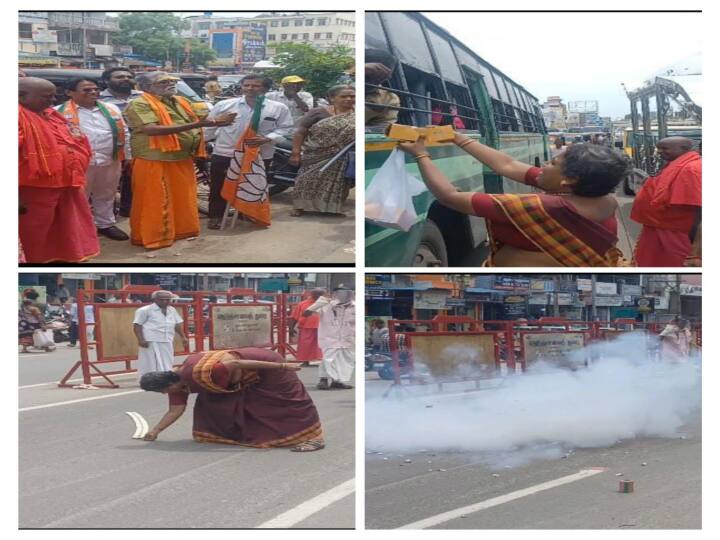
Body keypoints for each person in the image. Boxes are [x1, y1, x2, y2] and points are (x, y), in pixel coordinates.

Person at [398, 135, 631, 266]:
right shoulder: (600, 198)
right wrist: (458, 138)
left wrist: (421, 154)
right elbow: (507, 165)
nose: (542, 166)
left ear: (568, 181)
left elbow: (449, 197)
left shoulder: (540, 206)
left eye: (552, 164)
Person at [125, 72, 235, 248]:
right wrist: (201, 124)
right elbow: (152, 130)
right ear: (146, 87)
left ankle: (179, 231)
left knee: (182, 197)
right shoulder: (140, 103)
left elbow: (199, 121)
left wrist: (219, 121)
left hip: (182, 157)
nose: (170, 84)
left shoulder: (181, 101)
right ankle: (155, 237)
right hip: (154, 158)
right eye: (163, 82)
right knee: (155, 199)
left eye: (172, 81)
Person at [139, 347, 324, 452]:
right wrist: (155, 431)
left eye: (163, 391)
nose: (165, 394)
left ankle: (315, 438)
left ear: (170, 383)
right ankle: (223, 434)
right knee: (212, 403)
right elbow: (175, 410)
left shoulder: (197, 373)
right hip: (239, 376)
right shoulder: (177, 383)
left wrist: (282, 365)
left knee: (284, 402)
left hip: (268, 364)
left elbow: (237, 363)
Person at [19, 77, 99, 263]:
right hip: (31, 192)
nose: (53, 101)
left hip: (66, 184)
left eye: (54, 96)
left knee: (64, 230)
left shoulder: (50, 114)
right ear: (20, 96)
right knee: (33, 235)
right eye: (46, 97)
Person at [204, 74, 293, 229]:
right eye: (247, 85)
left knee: (252, 185)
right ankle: (216, 216)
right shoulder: (225, 105)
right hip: (226, 152)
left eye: (255, 85)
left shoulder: (278, 108)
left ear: (265, 89)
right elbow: (210, 127)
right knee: (219, 185)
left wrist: (267, 138)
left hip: (260, 154)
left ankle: (247, 212)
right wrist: (203, 144)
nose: (250, 88)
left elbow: (286, 128)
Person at [56, 78, 131, 241]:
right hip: (78, 162)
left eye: (96, 89)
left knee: (107, 193)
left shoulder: (111, 108)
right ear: (70, 93)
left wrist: (128, 156)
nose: (93, 92)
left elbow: (124, 132)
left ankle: (105, 224)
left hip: (110, 158)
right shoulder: (58, 112)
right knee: (78, 196)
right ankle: (77, 228)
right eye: (87, 90)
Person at [630, 137, 702, 267]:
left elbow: (701, 213)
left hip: (677, 236)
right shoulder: (678, 164)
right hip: (661, 229)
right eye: (658, 148)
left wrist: (695, 252)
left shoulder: (691, 169)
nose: (659, 152)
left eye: (664, 148)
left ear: (684, 149)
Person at [290, 85, 355, 216]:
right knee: (306, 179)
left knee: (340, 183)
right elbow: (301, 131)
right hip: (315, 153)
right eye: (343, 96)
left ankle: (333, 208)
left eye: (352, 96)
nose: (349, 99)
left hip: (342, 155)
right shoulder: (318, 112)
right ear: (332, 98)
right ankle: (299, 206)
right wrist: (295, 153)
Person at [99, 67, 143, 218]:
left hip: (140, 144)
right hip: (111, 146)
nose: (125, 79)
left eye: (128, 76)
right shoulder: (97, 100)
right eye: (119, 77)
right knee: (108, 183)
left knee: (133, 178)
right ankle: (105, 216)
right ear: (107, 81)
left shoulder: (144, 97)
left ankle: (128, 209)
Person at [304, 285, 355, 390]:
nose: (344, 296)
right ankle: (323, 380)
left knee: (346, 361)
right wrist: (319, 303)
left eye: (346, 294)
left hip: (348, 338)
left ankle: (338, 381)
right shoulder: (325, 305)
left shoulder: (355, 306)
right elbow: (306, 314)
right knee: (328, 359)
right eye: (341, 294)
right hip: (330, 337)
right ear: (335, 295)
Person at [132, 290, 189, 378]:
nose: (164, 301)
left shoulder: (172, 310)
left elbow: (176, 324)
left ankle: (164, 379)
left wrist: (183, 337)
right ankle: (148, 380)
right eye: (161, 299)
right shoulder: (144, 310)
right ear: (154, 299)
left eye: (167, 299)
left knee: (167, 360)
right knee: (149, 361)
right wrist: (141, 340)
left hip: (167, 339)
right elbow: (137, 325)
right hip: (151, 340)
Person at [288, 289, 325, 365]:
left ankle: (324, 361)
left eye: (320, 294)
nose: (318, 296)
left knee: (323, 344)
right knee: (305, 345)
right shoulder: (303, 304)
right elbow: (294, 317)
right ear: (312, 294)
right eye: (316, 294)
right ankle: (305, 361)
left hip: (323, 328)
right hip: (306, 327)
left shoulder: (327, 304)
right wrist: (291, 328)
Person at [365, 48, 400, 127]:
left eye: (382, 74)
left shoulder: (389, 98)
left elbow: (381, 131)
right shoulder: (340, 86)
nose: (375, 77)